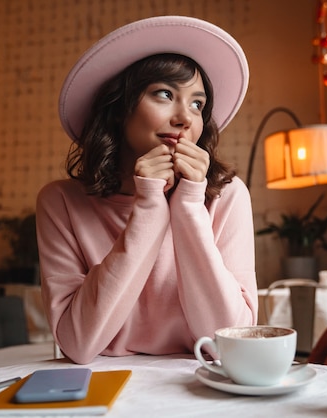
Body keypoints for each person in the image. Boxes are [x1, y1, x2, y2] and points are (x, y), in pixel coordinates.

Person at [36, 16, 257, 364]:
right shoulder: (61, 202)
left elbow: (232, 342)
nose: (185, 118)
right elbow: (78, 344)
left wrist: (188, 206)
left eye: (197, 104)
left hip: (202, 385)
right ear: (119, 109)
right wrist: (149, 208)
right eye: (165, 94)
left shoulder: (227, 196)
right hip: (101, 388)